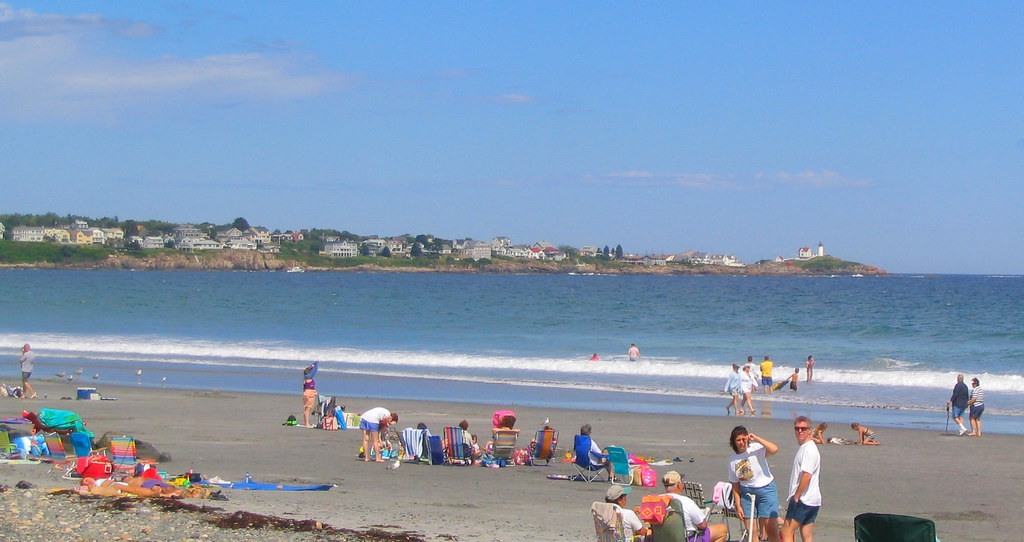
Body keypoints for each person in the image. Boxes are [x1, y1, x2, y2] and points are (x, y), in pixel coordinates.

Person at [728, 426, 781, 542]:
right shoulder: (733, 460)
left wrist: (757, 438)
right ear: (734, 442)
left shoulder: (756, 448)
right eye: (738, 440)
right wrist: (738, 505)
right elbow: (735, 484)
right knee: (751, 530)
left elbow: (774, 449)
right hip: (747, 493)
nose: (742, 442)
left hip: (766, 489)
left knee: (771, 529)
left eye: (744, 439)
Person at [781, 416, 821, 542]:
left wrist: (797, 496)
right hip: (812, 500)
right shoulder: (806, 447)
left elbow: (807, 475)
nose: (800, 431)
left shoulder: (809, 449)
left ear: (810, 430)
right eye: (797, 428)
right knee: (807, 534)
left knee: (786, 531)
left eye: (803, 429)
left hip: (804, 499)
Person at [661, 470, 728, 542]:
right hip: (686, 539)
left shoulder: (657, 500)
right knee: (722, 529)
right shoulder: (686, 502)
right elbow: (703, 526)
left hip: (661, 538)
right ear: (679, 485)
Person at [301, 361, 319, 428]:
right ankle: (307, 423)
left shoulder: (305, 377)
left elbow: (313, 369)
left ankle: (306, 422)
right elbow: (315, 369)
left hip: (306, 393)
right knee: (308, 409)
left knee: (306, 409)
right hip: (310, 394)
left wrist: (311, 366)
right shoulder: (308, 377)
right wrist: (316, 362)